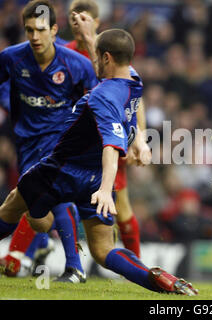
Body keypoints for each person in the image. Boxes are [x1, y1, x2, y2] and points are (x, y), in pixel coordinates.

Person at [0, 26, 198, 296]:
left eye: (98, 57)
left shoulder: (102, 97)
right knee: (104, 250)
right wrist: (91, 37)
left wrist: (106, 189)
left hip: (60, 171)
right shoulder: (135, 80)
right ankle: (164, 281)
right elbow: (110, 65)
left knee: (13, 209)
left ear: (106, 58)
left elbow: (111, 146)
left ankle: (40, 225)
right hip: (93, 179)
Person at [0, 0, 99, 282]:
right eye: (29, 30)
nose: (34, 37)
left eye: (41, 30)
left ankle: (74, 268)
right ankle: (43, 248)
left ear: (54, 30)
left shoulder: (76, 65)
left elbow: (98, 100)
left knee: (53, 196)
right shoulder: (11, 58)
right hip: (26, 145)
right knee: (36, 217)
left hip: (60, 143)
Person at [66, 0, 150, 258]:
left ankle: (134, 265)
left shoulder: (115, 64)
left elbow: (126, 98)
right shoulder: (63, 52)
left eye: (86, 19)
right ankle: (68, 260)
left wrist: (140, 139)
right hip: (83, 137)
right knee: (52, 198)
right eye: (74, 19)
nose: (78, 24)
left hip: (103, 141)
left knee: (119, 207)